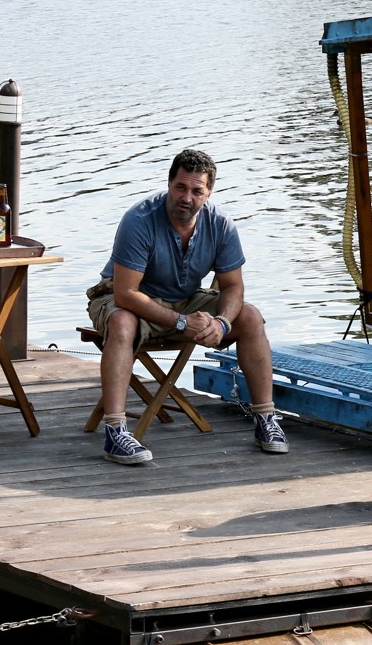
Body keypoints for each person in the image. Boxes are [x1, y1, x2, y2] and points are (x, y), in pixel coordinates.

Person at [87, 148, 285, 464]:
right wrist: (182, 322)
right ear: (169, 185)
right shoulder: (138, 220)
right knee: (122, 321)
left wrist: (220, 323)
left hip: (185, 298)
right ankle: (116, 432)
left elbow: (233, 286)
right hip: (126, 298)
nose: (187, 197)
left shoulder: (221, 224)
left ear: (208, 193)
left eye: (197, 191)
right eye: (181, 187)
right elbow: (125, 294)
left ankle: (266, 420)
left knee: (249, 316)